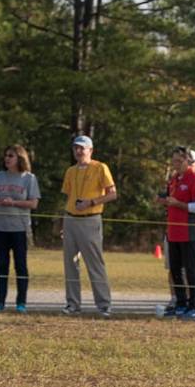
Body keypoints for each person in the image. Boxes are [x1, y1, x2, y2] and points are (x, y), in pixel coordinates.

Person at [60, 135, 116, 317]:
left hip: (90, 219)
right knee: (70, 263)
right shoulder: (70, 171)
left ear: (90, 150)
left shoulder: (100, 168)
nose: (78, 151)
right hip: (70, 219)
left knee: (94, 263)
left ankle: (104, 304)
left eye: (82, 148)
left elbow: (112, 194)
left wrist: (91, 202)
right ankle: (72, 304)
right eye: (76, 148)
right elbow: (68, 196)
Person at [0, 145, 41, 313]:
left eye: (11, 155)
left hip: (19, 228)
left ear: (20, 158)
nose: (7, 158)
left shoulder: (29, 178)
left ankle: (21, 303)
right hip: (0, 227)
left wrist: (14, 203)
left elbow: (33, 203)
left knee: (20, 265)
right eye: (6, 155)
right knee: (2, 265)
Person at [157, 147, 195, 320]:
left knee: (192, 270)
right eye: (174, 161)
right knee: (175, 270)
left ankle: (194, 306)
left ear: (188, 161)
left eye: (179, 161)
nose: (175, 164)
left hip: (189, 232)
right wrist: (164, 201)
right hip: (173, 232)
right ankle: (180, 303)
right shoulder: (174, 180)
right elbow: (172, 201)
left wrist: (178, 204)